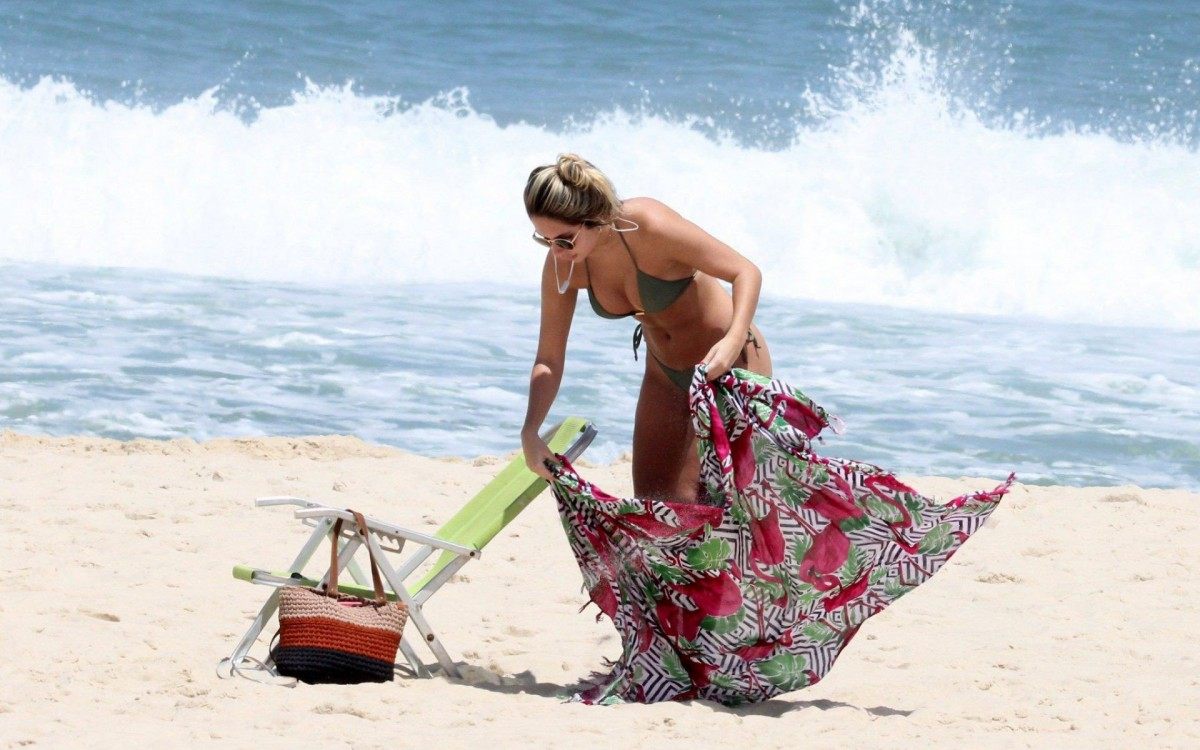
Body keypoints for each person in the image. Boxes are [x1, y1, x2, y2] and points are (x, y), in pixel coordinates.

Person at [520, 153, 772, 502]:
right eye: (544, 240)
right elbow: (549, 357)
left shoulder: (647, 225)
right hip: (665, 373)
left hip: (731, 364)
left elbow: (745, 271)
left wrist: (731, 341)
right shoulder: (565, 266)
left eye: (564, 239)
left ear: (592, 218)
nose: (556, 251)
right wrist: (530, 431)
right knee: (656, 504)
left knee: (724, 503)